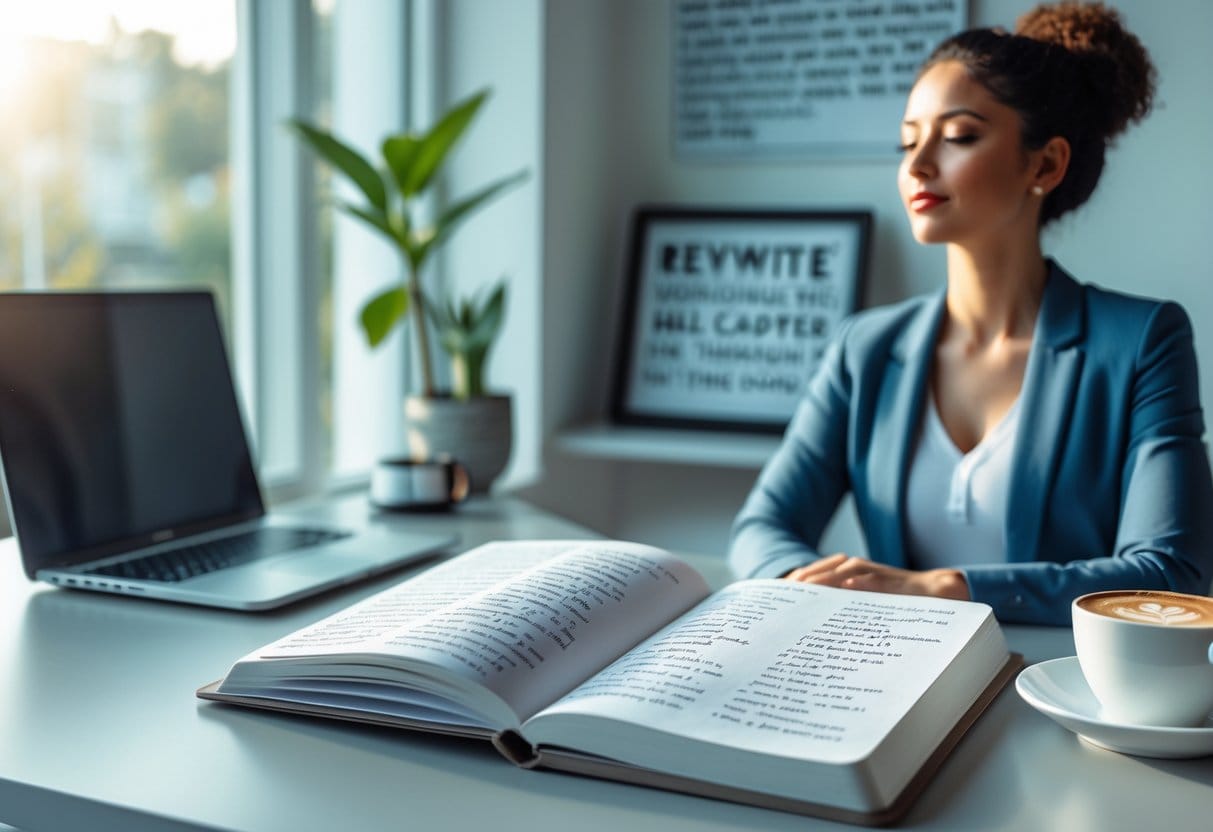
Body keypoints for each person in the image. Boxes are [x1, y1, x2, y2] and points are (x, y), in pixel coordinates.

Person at [727, 1, 1213, 626]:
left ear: (1045, 164)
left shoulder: (1142, 341)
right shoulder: (865, 348)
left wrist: (944, 588)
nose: (918, 164)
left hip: (1055, 693)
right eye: (908, 140)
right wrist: (806, 583)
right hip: (892, 685)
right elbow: (762, 527)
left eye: (958, 136)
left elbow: (1172, 572)